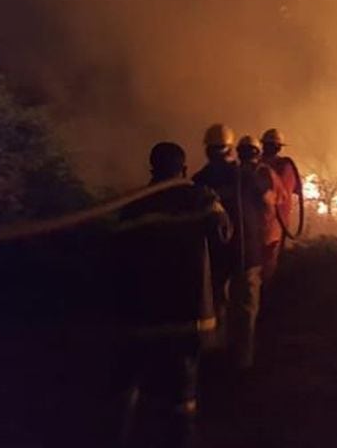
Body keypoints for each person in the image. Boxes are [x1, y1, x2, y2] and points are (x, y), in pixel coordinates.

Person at [106, 141, 230, 448]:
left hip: (143, 312)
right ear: (184, 168)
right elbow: (224, 234)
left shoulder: (133, 206)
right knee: (182, 385)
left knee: (131, 377)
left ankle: (117, 436)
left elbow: (116, 258)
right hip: (188, 313)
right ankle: (181, 438)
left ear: (153, 168)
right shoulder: (201, 198)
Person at [229, 135, 287, 369]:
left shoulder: (239, 174)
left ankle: (236, 350)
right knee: (251, 297)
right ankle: (244, 356)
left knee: (241, 298)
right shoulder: (262, 174)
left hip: (251, 241)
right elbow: (278, 199)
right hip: (261, 241)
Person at [192, 124, 242, 352]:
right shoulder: (242, 174)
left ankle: (216, 345)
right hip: (239, 246)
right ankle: (231, 349)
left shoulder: (199, 179)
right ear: (230, 147)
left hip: (210, 248)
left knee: (215, 294)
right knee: (237, 299)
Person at [259, 128, 302, 281]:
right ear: (279, 147)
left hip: (258, 224)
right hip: (278, 225)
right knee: (270, 266)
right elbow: (295, 189)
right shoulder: (286, 166)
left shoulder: (256, 166)